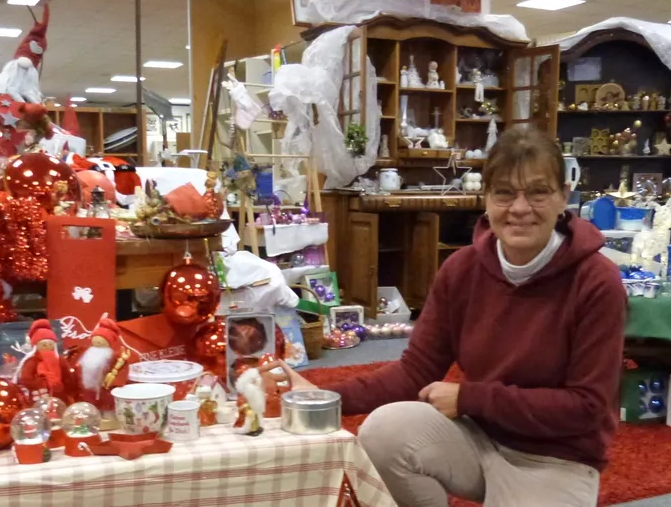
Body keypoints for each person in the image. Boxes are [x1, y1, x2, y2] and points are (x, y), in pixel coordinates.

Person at [268, 126, 627, 507]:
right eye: (504, 193)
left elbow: (587, 408)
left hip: (559, 459)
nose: (520, 208)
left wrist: (472, 398)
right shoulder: (462, 270)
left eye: (538, 192)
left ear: (563, 198)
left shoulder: (596, 281)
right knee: (384, 434)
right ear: (485, 198)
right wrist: (324, 396)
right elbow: (414, 373)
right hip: (478, 438)